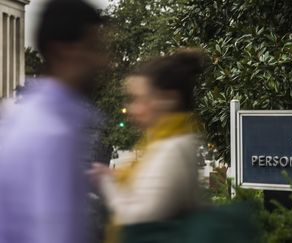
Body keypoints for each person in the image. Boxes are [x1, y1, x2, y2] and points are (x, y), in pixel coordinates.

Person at [0, 1, 107, 243]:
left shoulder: (29, 118)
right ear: (61, 51)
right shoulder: (50, 132)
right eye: (94, 48)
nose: (104, 61)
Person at [88, 49, 207, 243]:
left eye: (139, 99)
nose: (132, 109)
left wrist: (106, 183)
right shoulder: (163, 142)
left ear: (168, 99)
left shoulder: (172, 149)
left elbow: (137, 222)